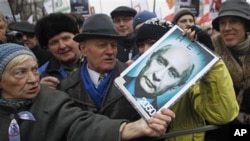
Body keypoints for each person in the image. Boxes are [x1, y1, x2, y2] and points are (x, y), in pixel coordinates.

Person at [59, 13, 239, 141]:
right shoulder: (65, 87)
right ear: (83, 48)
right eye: (141, 45)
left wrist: (210, 62)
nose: (145, 51)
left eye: (113, 45)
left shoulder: (192, 85)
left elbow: (222, 115)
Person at [0, 43, 175, 141]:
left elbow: (83, 125)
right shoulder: (68, 84)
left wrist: (132, 128)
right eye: (20, 72)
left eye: (34, 70)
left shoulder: (53, 101)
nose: (32, 79)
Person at [207, 0, 250, 140]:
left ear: (246, 25)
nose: (227, 28)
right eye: (222, 23)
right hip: (219, 132)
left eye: (234, 21)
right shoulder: (209, 53)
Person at [124, 44, 194, 109]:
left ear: (178, 85)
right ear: (150, 58)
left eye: (172, 74)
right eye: (160, 62)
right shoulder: (118, 73)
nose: (157, 76)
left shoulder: (159, 118)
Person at [35, 12, 83, 89]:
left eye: (66, 38)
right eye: (54, 42)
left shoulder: (98, 61)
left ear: (77, 37)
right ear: (47, 48)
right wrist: (40, 92)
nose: (62, 46)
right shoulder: (41, 75)